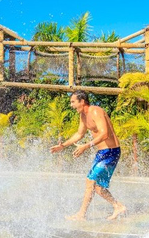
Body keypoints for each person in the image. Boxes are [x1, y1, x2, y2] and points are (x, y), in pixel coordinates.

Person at [50, 91, 126, 221]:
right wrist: (63, 146)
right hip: (102, 153)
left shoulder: (96, 111)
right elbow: (79, 134)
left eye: (73, 101)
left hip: (111, 151)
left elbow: (105, 133)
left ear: (82, 101)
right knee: (97, 186)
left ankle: (81, 214)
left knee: (90, 181)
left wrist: (86, 146)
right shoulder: (83, 116)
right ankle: (118, 206)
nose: (71, 105)